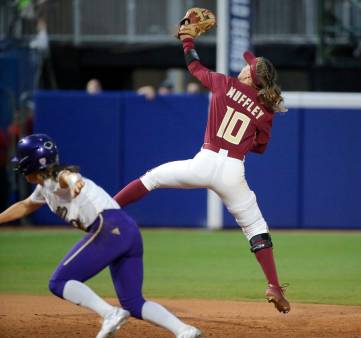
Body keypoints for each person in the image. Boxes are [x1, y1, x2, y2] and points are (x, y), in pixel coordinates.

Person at [114, 28, 290, 314]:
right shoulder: (265, 110)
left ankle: (108, 209)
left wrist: (187, 40)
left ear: (249, 76)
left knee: (152, 179)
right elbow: (260, 148)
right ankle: (272, 285)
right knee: (256, 228)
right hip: (233, 170)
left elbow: (194, 66)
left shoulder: (225, 83)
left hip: (204, 161)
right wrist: (253, 124)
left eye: (248, 65)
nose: (245, 65)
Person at [0, 134, 202, 338]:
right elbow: (25, 205)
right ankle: (184, 330)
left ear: (29, 164)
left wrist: (74, 181)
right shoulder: (43, 188)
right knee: (133, 303)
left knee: (58, 282)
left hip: (108, 227)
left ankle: (110, 313)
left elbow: (66, 176)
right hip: (127, 231)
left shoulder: (54, 178)